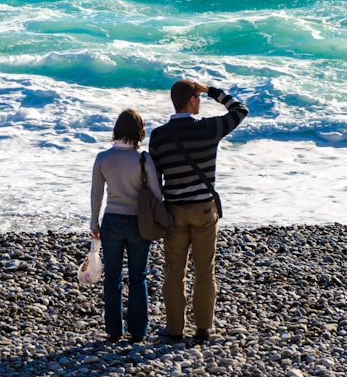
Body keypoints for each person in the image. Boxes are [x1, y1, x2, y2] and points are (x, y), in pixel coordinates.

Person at [149, 79, 248, 345]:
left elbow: (155, 178)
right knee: (205, 270)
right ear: (193, 100)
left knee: (174, 271)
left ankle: (175, 330)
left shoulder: (159, 136)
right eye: (199, 97)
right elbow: (240, 110)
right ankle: (203, 329)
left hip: (174, 211)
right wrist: (213, 90)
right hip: (204, 209)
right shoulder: (208, 128)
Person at [90, 108, 164, 343]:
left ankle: (114, 330)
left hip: (111, 219)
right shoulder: (144, 159)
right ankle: (138, 331)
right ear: (139, 131)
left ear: (116, 130)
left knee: (112, 277)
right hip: (138, 222)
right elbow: (156, 193)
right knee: (138, 276)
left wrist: (94, 222)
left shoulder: (103, 158)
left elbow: (96, 194)